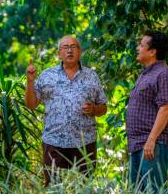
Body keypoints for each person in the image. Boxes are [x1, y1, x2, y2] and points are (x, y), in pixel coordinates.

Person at [25, 36, 107, 186]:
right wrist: (30, 81)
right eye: (65, 47)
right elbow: (31, 105)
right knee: (53, 188)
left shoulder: (92, 76)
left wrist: (94, 109)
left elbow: (103, 108)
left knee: (84, 188)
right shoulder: (47, 75)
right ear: (59, 53)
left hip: (85, 143)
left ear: (80, 51)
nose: (70, 50)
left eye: (74, 46)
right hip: (54, 142)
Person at [126, 30, 168, 192]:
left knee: (154, 190)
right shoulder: (146, 74)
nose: (138, 48)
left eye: (141, 45)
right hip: (139, 144)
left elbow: (165, 109)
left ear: (152, 52)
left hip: (154, 143)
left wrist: (151, 140)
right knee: (137, 191)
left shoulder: (163, 74)